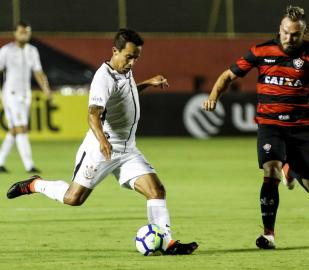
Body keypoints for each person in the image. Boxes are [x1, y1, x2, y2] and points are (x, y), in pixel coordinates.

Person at [6, 28, 198, 255]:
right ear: (115, 51)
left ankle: (166, 243)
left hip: (127, 150)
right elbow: (93, 114)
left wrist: (147, 83)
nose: (133, 62)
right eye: (129, 56)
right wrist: (102, 141)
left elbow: (125, 96)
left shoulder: (124, 70)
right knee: (73, 198)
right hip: (102, 149)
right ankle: (35, 184)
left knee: (156, 191)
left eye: (137, 57)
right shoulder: (103, 77)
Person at [202, 6, 309, 249]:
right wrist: (213, 96)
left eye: (295, 34)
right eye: (285, 32)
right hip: (270, 125)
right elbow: (227, 76)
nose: (289, 38)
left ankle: (291, 170)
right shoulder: (261, 50)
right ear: (280, 29)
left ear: (304, 33)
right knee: (270, 169)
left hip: (301, 129)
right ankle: (268, 234)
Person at [0, 20, 52, 173]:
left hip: (26, 94)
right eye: (21, 32)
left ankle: (1, 161)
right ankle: (29, 166)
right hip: (11, 94)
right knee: (21, 128)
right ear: (15, 33)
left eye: (27, 32)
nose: (24, 35)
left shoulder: (32, 51)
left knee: (15, 130)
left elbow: (38, 72)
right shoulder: (6, 51)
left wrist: (46, 88)